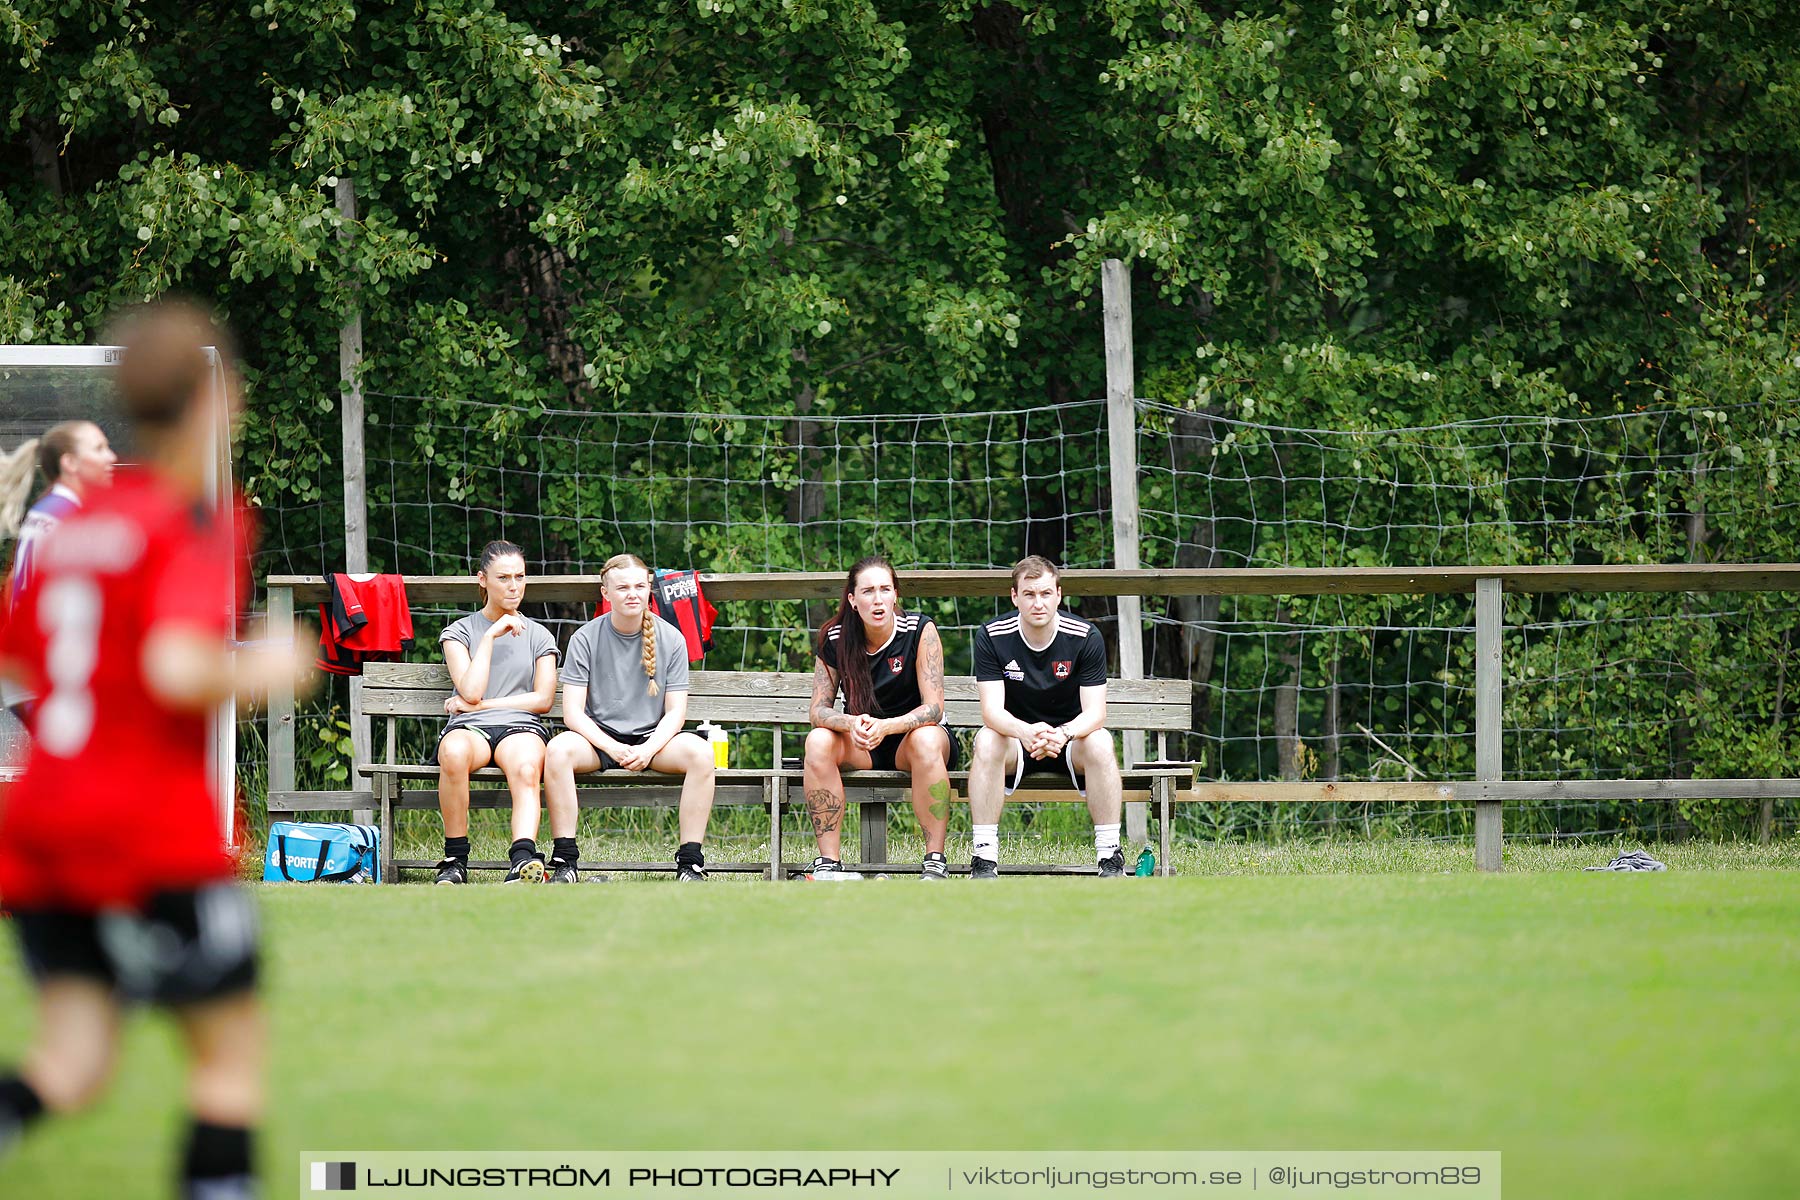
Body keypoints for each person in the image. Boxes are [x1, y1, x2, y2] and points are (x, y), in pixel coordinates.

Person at [0, 299, 309, 1198]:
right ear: (216, 400)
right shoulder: (193, 515)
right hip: (142, 825)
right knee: (227, 1058)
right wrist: (273, 667)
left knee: (73, 1060)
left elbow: (22, 656)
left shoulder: (63, 534)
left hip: (41, 823)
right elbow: (177, 666)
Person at [542, 554, 715, 882]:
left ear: (649, 588)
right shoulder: (585, 638)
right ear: (606, 592)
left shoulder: (672, 639)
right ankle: (565, 862)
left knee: (701, 754)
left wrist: (648, 749)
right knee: (558, 750)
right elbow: (573, 714)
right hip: (599, 740)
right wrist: (613, 747)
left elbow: (676, 712)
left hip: (653, 740)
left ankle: (690, 863)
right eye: (622, 587)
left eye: (639, 586)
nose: (631, 594)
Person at [968, 555, 1125, 878]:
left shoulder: (1085, 636)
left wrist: (1063, 733)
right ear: (1015, 597)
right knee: (986, 740)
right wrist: (1025, 731)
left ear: (1058, 594)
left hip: (1070, 742)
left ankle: (1110, 857)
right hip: (1016, 741)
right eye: (1028, 594)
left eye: (1045, 594)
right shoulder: (992, 635)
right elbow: (991, 712)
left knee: (1101, 741)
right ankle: (984, 858)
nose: (1037, 603)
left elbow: (1096, 712)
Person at [805, 555, 956, 880]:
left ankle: (934, 861)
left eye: (885, 589)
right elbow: (818, 710)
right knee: (817, 741)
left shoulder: (919, 630)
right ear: (852, 600)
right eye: (868, 591)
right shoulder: (835, 637)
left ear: (895, 595)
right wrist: (850, 723)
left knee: (926, 739)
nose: (877, 599)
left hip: (915, 739)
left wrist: (888, 726)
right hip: (863, 741)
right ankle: (829, 864)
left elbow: (934, 708)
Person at [430, 540, 559, 886]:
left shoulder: (540, 636)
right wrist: (488, 638)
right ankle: (455, 860)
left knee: (528, 765)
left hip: (520, 728)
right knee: (453, 753)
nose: (514, 586)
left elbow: (542, 700)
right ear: (483, 580)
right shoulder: (459, 632)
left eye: (520, 576)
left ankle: (522, 859)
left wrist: (484, 705)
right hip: (470, 728)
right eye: (503, 578)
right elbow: (469, 690)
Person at [1, 421, 117, 721]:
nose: (111, 457)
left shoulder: (47, 510)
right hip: (43, 675)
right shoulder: (67, 516)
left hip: (29, 672)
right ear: (70, 463)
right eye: (99, 448)